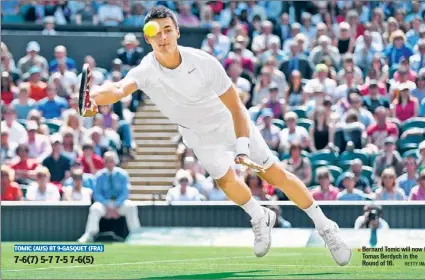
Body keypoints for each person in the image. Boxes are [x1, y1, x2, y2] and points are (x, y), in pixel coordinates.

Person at [81, 6, 351, 265]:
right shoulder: (145, 69)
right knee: (225, 182)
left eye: (167, 30)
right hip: (197, 134)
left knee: (274, 175)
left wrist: (242, 146)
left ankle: (326, 227)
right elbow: (117, 88)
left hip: (229, 122)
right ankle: (259, 216)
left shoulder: (204, 62)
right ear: (147, 37)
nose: (162, 37)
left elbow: (236, 107)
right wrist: (92, 97)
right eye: (156, 32)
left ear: (178, 32)